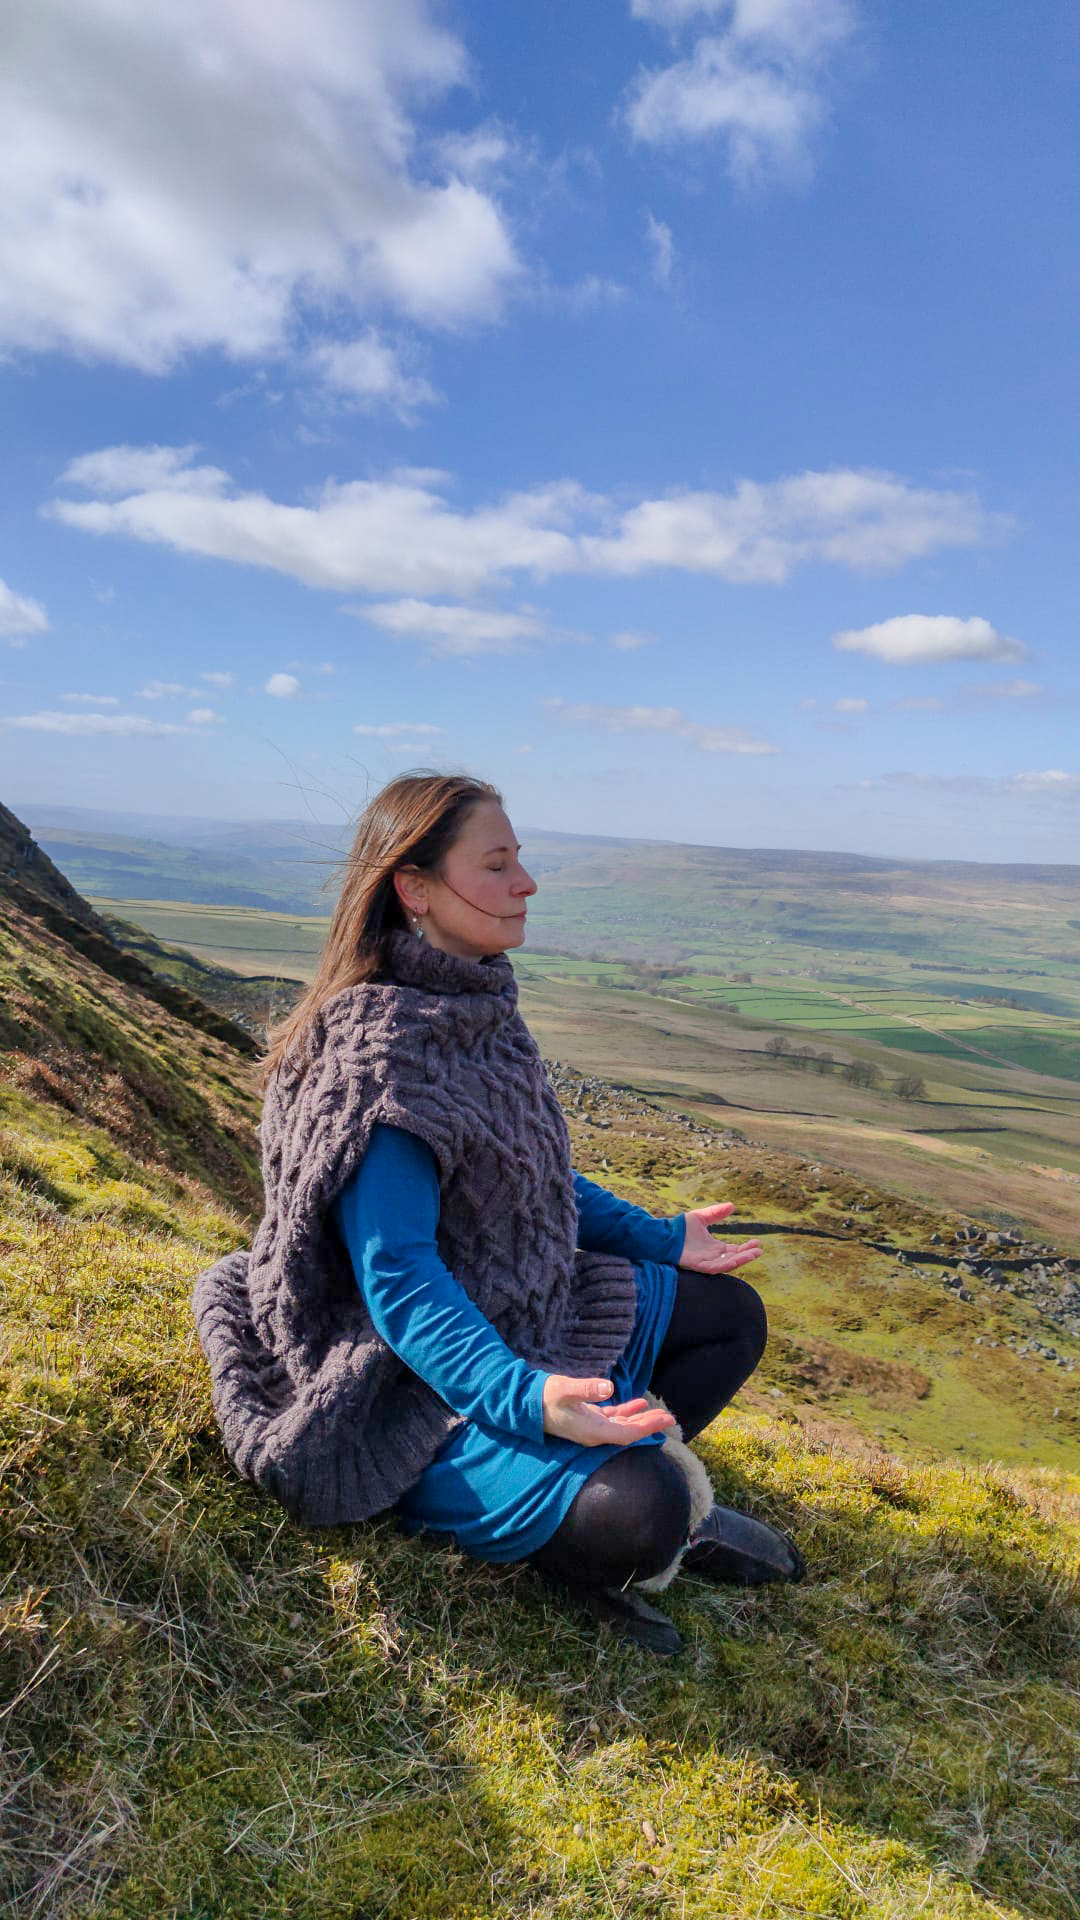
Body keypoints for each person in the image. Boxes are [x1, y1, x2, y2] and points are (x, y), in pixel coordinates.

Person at [194, 771, 802, 1657]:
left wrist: (664, 1238)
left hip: (521, 1306)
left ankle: (605, 1465)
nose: (527, 883)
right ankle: (599, 1523)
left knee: (728, 1318)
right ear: (416, 890)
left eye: (520, 860)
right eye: (498, 864)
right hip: (404, 1380)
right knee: (644, 1511)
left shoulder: (476, 1003)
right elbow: (397, 1279)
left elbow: (534, 1177)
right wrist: (526, 1396)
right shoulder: (379, 1066)